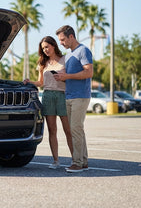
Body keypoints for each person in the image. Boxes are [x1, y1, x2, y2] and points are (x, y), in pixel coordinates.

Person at [24, 36, 73, 169]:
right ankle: (56, 161)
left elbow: (71, 79)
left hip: (62, 96)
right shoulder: (42, 63)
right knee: (52, 130)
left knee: (68, 130)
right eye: (43, 48)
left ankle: (76, 159)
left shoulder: (65, 59)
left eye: (47, 47)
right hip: (47, 96)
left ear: (53, 45)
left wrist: (63, 78)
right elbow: (41, 83)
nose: (45, 50)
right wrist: (30, 82)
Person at [54, 25, 93, 173]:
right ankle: (83, 161)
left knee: (75, 129)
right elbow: (71, 76)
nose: (61, 43)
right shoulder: (69, 54)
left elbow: (88, 73)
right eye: (60, 40)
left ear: (71, 36)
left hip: (80, 96)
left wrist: (67, 76)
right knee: (77, 129)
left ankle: (77, 163)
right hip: (69, 95)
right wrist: (61, 77)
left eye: (63, 39)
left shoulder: (83, 50)